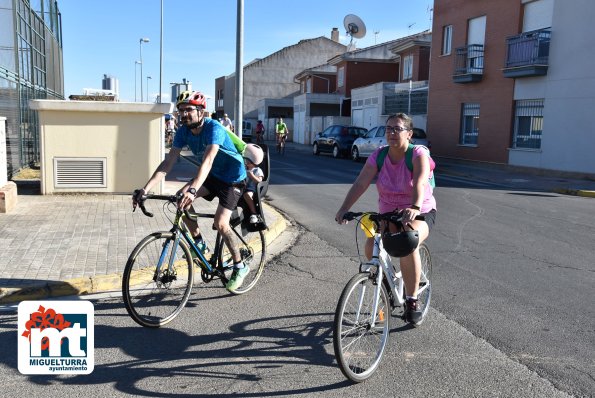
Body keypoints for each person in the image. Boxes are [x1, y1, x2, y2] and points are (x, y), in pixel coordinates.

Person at [133, 90, 251, 292]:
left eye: (189, 110)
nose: (184, 114)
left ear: (201, 112)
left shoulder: (214, 128)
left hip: (233, 179)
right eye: (181, 111)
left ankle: (240, 266)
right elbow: (168, 162)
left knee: (221, 223)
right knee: (180, 198)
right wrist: (145, 189)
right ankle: (199, 243)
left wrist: (194, 189)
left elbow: (208, 160)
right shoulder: (183, 131)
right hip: (213, 176)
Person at [335, 113, 437, 324]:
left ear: (409, 134)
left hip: (420, 211)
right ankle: (388, 286)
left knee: (407, 241)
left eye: (397, 129)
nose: (391, 133)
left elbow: (419, 183)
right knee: (371, 245)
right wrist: (344, 208)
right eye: (388, 128)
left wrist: (414, 206)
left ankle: (412, 300)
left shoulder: (417, 154)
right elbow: (361, 183)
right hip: (389, 213)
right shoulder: (379, 155)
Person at [242, 146, 265, 223]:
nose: (245, 161)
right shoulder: (244, 169)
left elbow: (259, 181)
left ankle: (254, 213)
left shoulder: (257, 170)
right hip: (242, 187)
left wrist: (252, 176)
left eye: (247, 160)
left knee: (247, 195)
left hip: (252, 189)